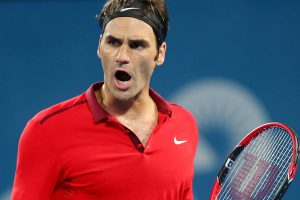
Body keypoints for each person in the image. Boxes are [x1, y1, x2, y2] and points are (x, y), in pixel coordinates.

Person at [11, 0, 199, 199]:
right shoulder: (46, 130)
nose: (122, 56)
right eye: (114, 42)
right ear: (100, 46)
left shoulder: (183, 125)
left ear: (160, 54)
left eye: (137, 45)